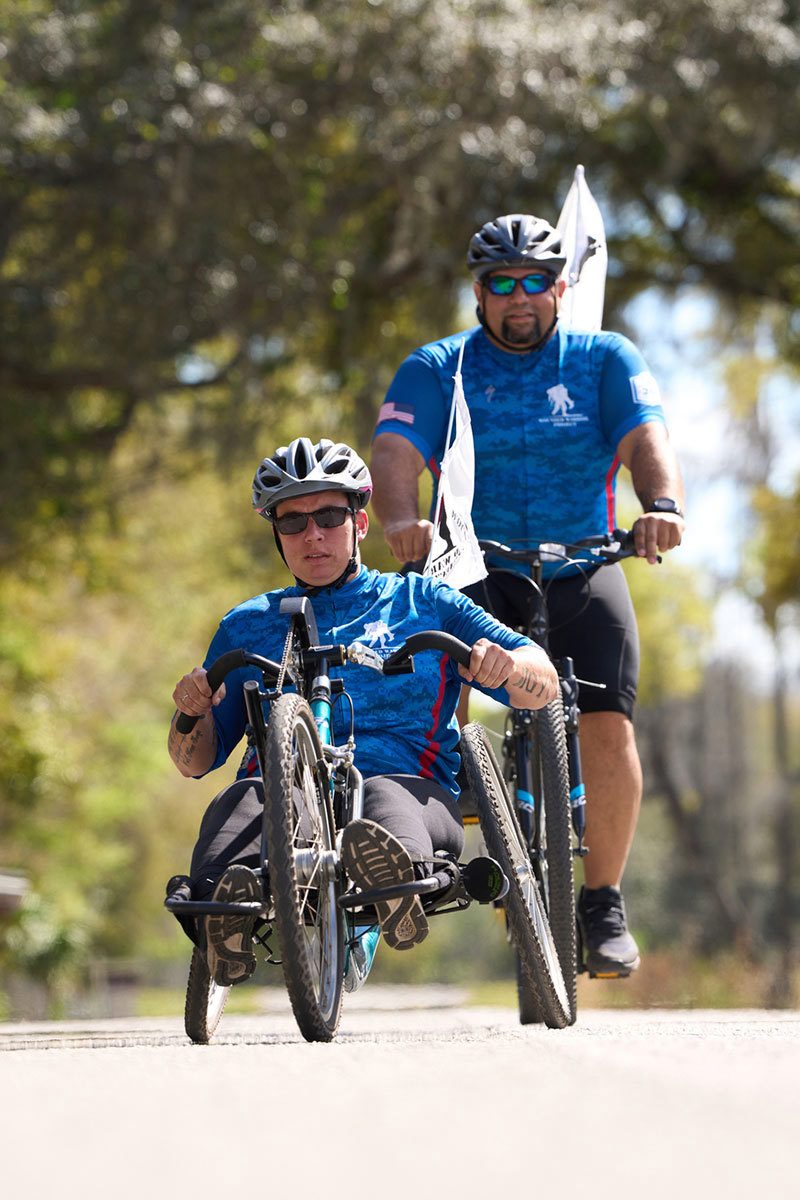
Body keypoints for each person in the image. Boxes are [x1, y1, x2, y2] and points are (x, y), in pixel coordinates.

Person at [370, 213, 686, 979]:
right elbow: (394, 450)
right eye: (501, 283)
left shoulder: (602, 358)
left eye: (535, 282)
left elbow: (645, 439)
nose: (520, 298)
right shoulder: (438, 365)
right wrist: (404, 520)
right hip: (473, 566)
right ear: (478, 292)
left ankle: (602, 902)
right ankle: (425, 842)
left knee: (609, 727)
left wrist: (663, 506)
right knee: (423, 701)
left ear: (560, 286)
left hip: (582, 562)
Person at [168, 435, 558, 988]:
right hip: (284, 799)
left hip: (407, 785)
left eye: (328, 515)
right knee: (243, 796)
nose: (313, 535)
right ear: (275, 533)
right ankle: (221, 916)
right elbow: (193, 761)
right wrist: (189, 714)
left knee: (383, 797)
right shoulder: (246, 625)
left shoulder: (424, 602)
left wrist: (508, 667)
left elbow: (541, 685)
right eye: (292, 522)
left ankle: (395, 885)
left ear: (361, 523)